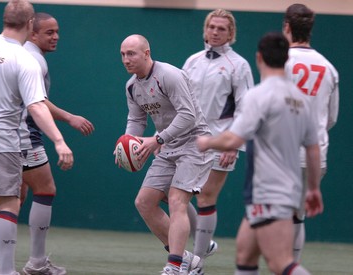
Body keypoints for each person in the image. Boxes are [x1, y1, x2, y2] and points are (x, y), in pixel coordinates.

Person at [0, 1, 73, 275]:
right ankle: (4, 269)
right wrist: (58, 140)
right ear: (30, 24)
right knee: (9, 202)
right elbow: (36, 106)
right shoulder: (25, 60)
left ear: (5, 19)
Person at [0, 12, 94, 275]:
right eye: (49, 32)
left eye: (57, 31)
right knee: (45, 189)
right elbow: (37, 102)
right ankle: (34, 262)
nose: (56, 37)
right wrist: (69, 119)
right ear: (32, 33)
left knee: (15, 197)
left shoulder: (19, 54)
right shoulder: (33, 59)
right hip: (22, 135)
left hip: (4, 135)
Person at [196, 32, 323, 275]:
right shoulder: (300, 99)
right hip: (284, 190)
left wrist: (206, 142)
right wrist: (314, 188)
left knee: (280, 264)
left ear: (258, 58)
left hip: (269, 192)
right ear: (286, 59)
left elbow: (234, 138)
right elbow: (313, 149)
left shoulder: (259, 95)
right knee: (245, 256)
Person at [118, 34, 214, 275]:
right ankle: (187, 260)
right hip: (168, 145)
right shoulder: (131, 86)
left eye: (132, 53)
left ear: (147, 53)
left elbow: (188, 116)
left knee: (176, 200)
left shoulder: (169, 75)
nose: (126, 59)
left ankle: (174, 266)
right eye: (122, 54)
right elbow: (136, 119)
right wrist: (128, 142)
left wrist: (157, 139)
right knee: (144, 202)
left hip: (194, 143)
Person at [182, 8, 254, 272]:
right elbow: (180, 102)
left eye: (221, 28)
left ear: (231, 33)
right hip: (188, 140)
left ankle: (196, 264)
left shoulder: (239, 65)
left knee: (205, 198)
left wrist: (233, 144)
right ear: (205, 28)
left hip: (221, 142)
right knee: (173, 194)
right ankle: (206, 242)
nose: (215, 31)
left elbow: (247, 108)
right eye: (212, 26)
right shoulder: (192, 61)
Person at [282, 3, 339, 262]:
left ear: (286, 27)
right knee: (297, 216)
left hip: (283, 152)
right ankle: (291, 267)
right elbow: (331, 118)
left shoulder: (279, 61)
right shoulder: (329, 68)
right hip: (315, 154)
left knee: (273, 216)